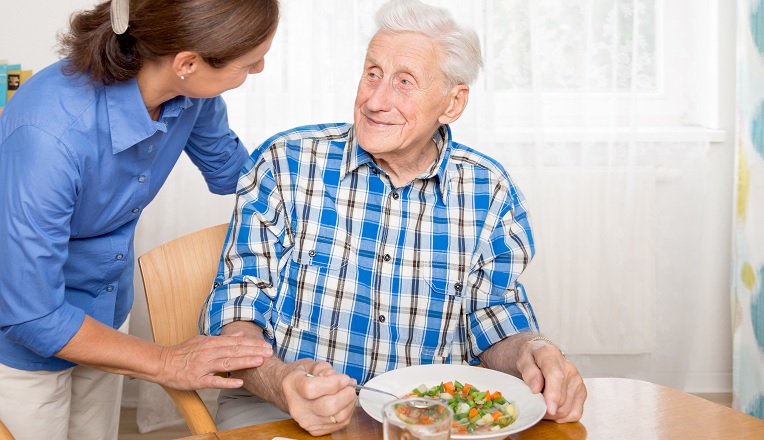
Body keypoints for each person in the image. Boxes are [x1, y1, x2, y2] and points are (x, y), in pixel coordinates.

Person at [202, 0, 587, 436]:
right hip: (278, 408)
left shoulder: (490, 191)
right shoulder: (284, 163)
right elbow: (237, 306)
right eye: (372, 73)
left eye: (404, 83)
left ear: (453, 102)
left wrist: (532, 352)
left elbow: (494, 318)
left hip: (424, 421)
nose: (375, 100)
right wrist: (279, 381)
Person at [0, 0, 281, 438]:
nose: (260, 68)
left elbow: (235, 172)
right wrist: (166, 362)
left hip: (105, 312)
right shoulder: (50, 134)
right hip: (24, 332)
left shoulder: (188, 95)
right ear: (187, 62)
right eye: (249, 63)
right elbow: (30, 315)